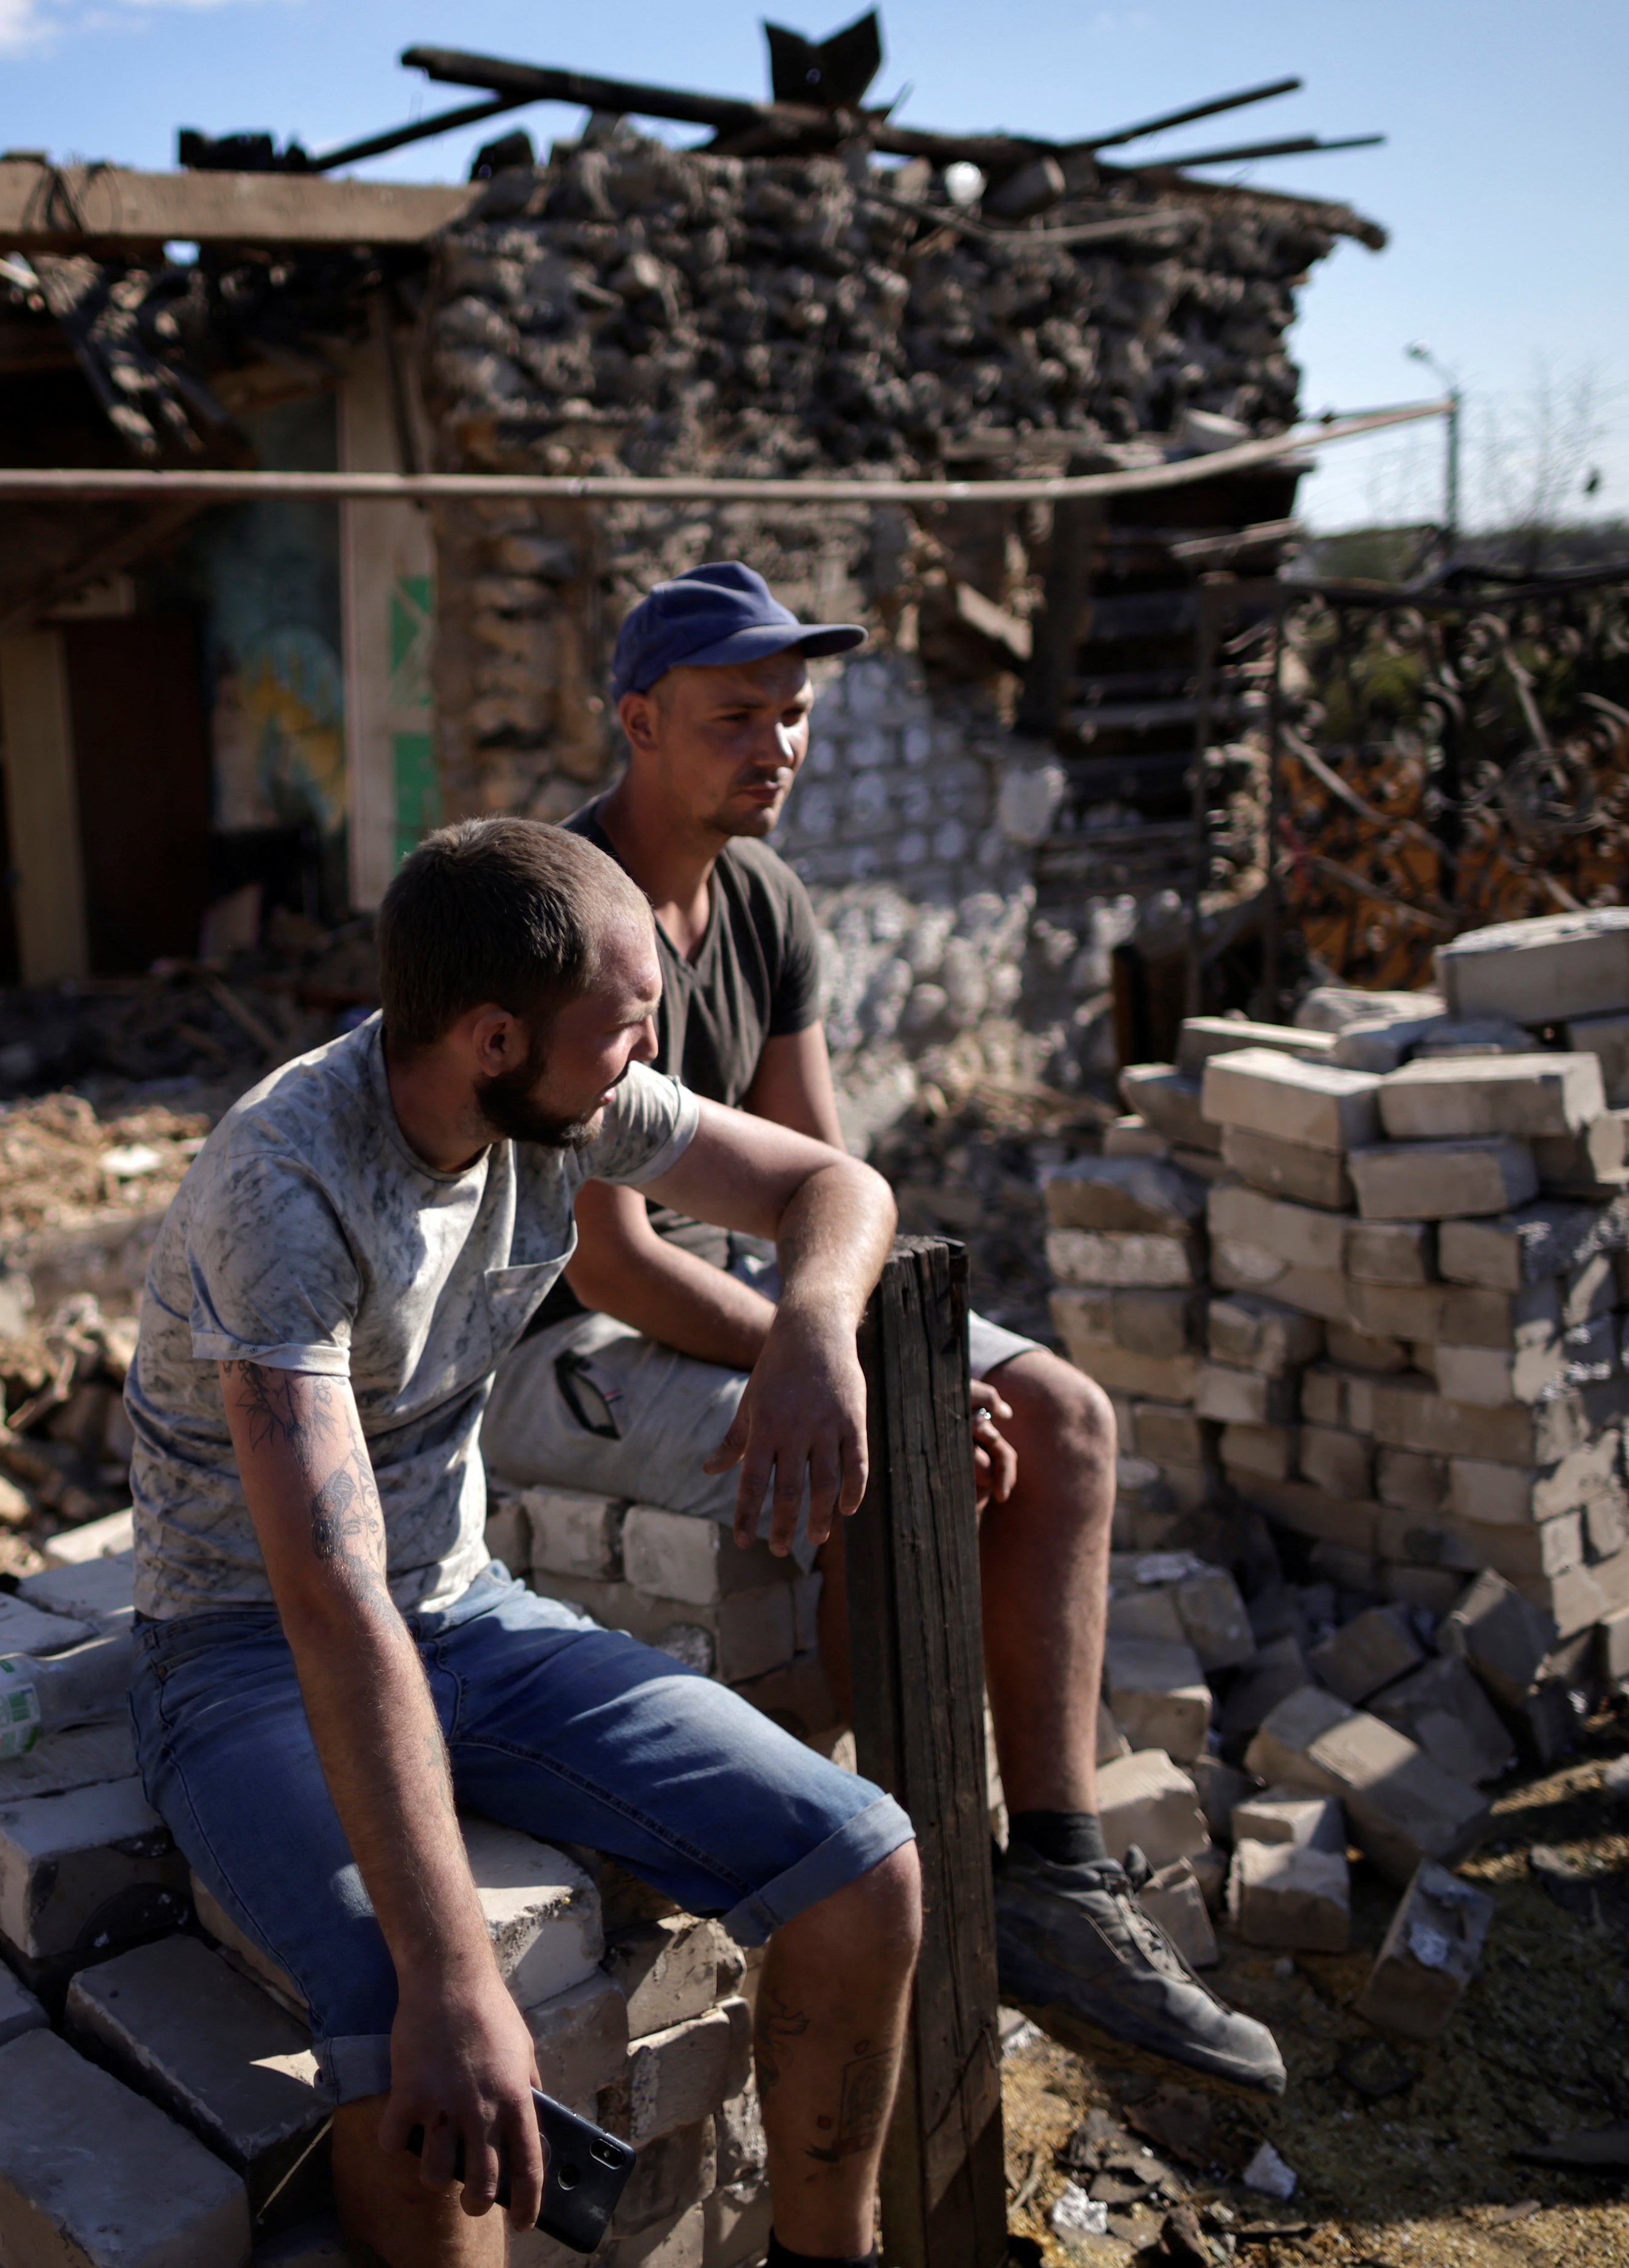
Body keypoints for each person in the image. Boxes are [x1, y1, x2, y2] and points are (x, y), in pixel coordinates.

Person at [478, 561, 1286, 2100]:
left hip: (717, 1296)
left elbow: (830, 1186)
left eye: (792, 717)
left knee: (1059, 1421)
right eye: (734, 718)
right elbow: (615, 1263)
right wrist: (827, 1368)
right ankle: (876, 1867)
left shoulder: (766, 899)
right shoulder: (561, 909)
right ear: (637, 721)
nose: (775, 747)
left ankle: (1047, 1874)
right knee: (892, 1464)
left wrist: (845, 1341)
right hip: (552, 1342)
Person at [126, 816, 933, 2268]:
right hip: (247, 1657)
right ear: (494, 1037)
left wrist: (811, 1332)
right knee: (410, 2037)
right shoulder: (284, 1188)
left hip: (467, 1618)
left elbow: (832, 1187)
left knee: (864, 1866)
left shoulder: (566, 1098)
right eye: (624, 1030)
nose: (645, 1058)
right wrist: (451, 1977)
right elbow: (325, 1597)